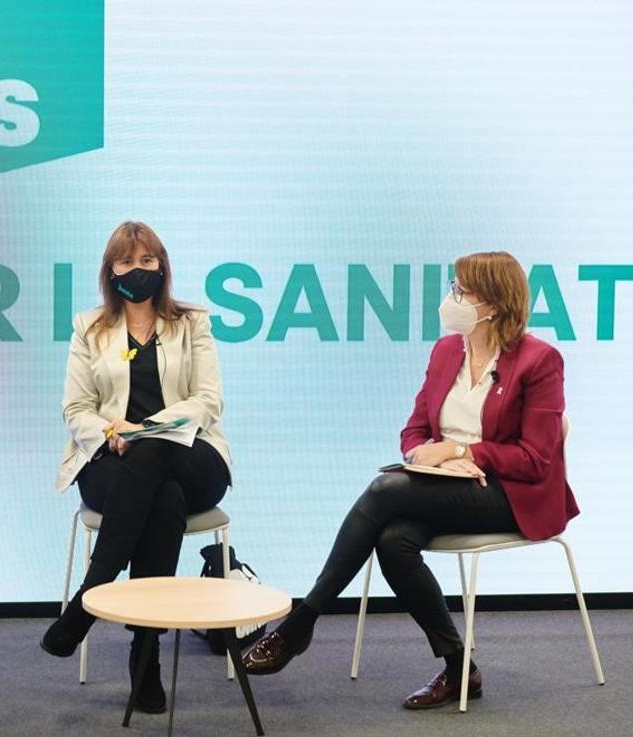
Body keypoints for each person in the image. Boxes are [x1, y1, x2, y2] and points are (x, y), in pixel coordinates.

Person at [242, 251, 579, 710]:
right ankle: (461, 669)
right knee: (394, 539)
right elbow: (415, 430)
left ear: (495, 304)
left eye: (463, 291)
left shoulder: (539, 361)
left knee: (384, 489)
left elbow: (536, 458)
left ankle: (301, 622)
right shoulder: (446, 352)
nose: (452, 298)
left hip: (510, 494)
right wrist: (427, 456)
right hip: (446, 485)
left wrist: (463, 451)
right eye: (454, 288)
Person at [41, 221, 233, 713]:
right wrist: (111, 433)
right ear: (111, 270)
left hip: (193, 455)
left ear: (162, 267)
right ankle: (144, 657)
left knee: (154, 456)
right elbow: (75, 408)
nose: (138, 270)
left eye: (147, 261)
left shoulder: (193, 322)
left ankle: (94, 589)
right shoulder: (90, 327)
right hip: (112, 461)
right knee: (161, 499)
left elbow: (208, 400)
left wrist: (145, 429)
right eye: (127, 262)